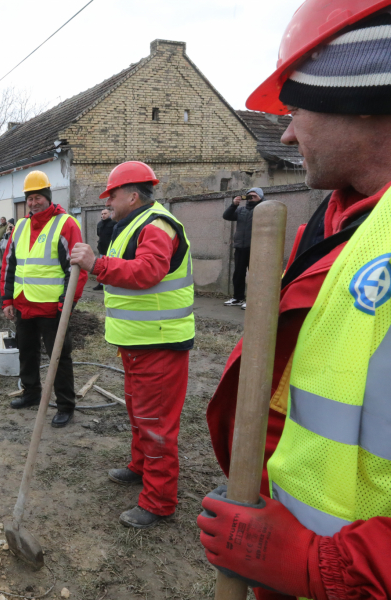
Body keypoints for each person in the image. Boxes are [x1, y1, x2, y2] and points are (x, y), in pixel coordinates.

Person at [195, 3, 391, 598]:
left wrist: (321, 566)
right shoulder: (344, 220)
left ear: (358, 96)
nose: (284, 134)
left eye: (296, 109)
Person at [70, 161, 195, 528]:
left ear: (133, 195)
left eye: (112, 194)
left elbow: (147, 272)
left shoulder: (155, 225)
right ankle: (140, 467)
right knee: (141, 414)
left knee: (155, 423)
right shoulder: (133, 224)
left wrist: (96, 264)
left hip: (159, 343)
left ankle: (159, 501)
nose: (107, 200)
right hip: (139, 342)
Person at [2, 170, 87, 428]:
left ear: (48, 196)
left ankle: (65, 406)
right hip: (24, 305)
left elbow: (77, 269)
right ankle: (30, 393)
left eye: (38, 196)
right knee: (27, 353)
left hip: (53, 308)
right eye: (30, 198)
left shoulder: (65, 224)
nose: (33, 202)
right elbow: (9, 266)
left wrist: (66, 303)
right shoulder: (20, 227)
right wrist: (7, 300)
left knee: (59, 357)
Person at [222, 188, 264, 309]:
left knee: (255, 275)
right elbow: (227, 216)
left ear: (260, 197)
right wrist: (234, 205)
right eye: (249, 196)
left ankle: (253, 300)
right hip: (240, 247)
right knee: (238, 274)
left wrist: (260, 201)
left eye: (254, 196)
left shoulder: (263, 209)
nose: (251, 198)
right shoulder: (241, 210)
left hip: (256, 247)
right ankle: (238, 298)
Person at [93, 208, 115, 291]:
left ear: (109, 214)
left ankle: (111, 284)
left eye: (105, 213)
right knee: (102, 267)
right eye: (102, 214)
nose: (103, 215)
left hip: (111, 249)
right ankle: (101, 284)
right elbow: (99, 234)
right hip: (102, 249)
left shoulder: (114, 223)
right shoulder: (99, 224)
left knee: (110, 267)